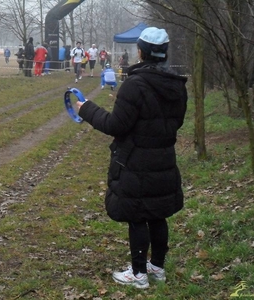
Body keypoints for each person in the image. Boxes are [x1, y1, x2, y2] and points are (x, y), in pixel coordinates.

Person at [76, 27, 188, 289]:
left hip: (136, 162)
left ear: (140, 52)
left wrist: (87, 109)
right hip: (164, 160)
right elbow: (177, 123)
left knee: (138, 215)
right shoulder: (178, 86)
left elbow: (116, 125)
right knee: (158, 214)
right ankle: (157, 268)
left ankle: (139, 275)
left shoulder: (134, 85)